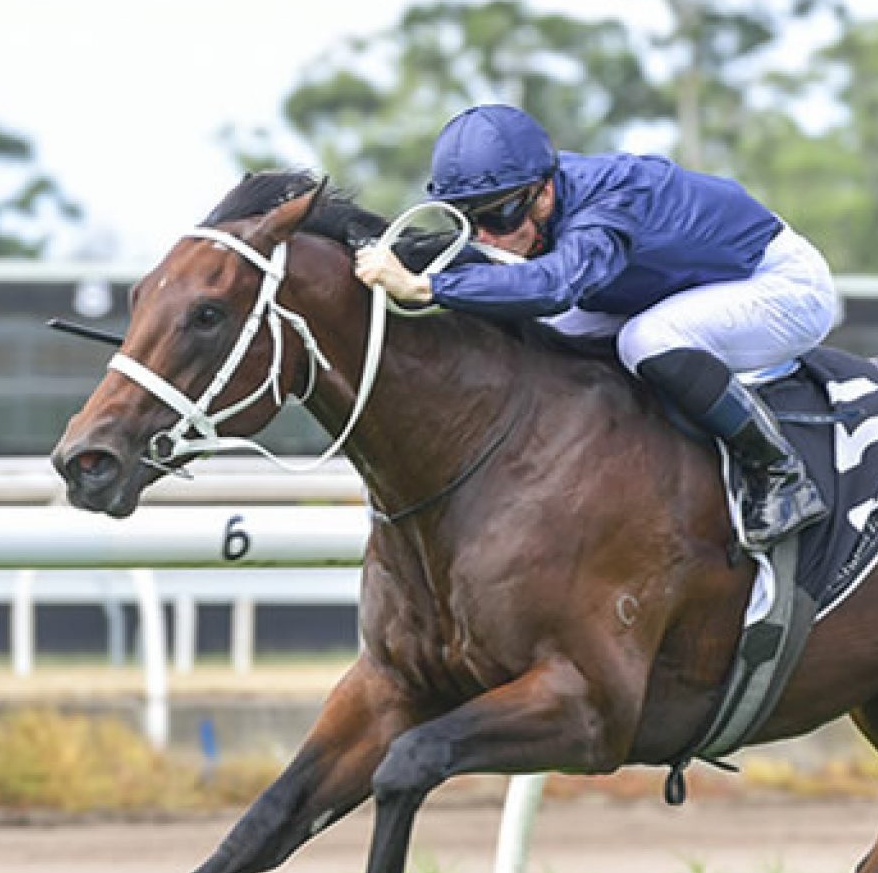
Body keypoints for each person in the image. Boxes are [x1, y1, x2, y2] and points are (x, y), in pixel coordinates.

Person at [354, 103, 836, 552]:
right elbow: (487, 261)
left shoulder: (606, 207)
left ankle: (779, 472)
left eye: (497, 215)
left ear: (544, 192)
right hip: (675, 288)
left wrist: (426, 289)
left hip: (780, 284)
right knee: (552, 337)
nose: (484, 236)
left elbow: (553, 287)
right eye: (467, 217)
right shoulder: (533, 197)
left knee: (645, 340)